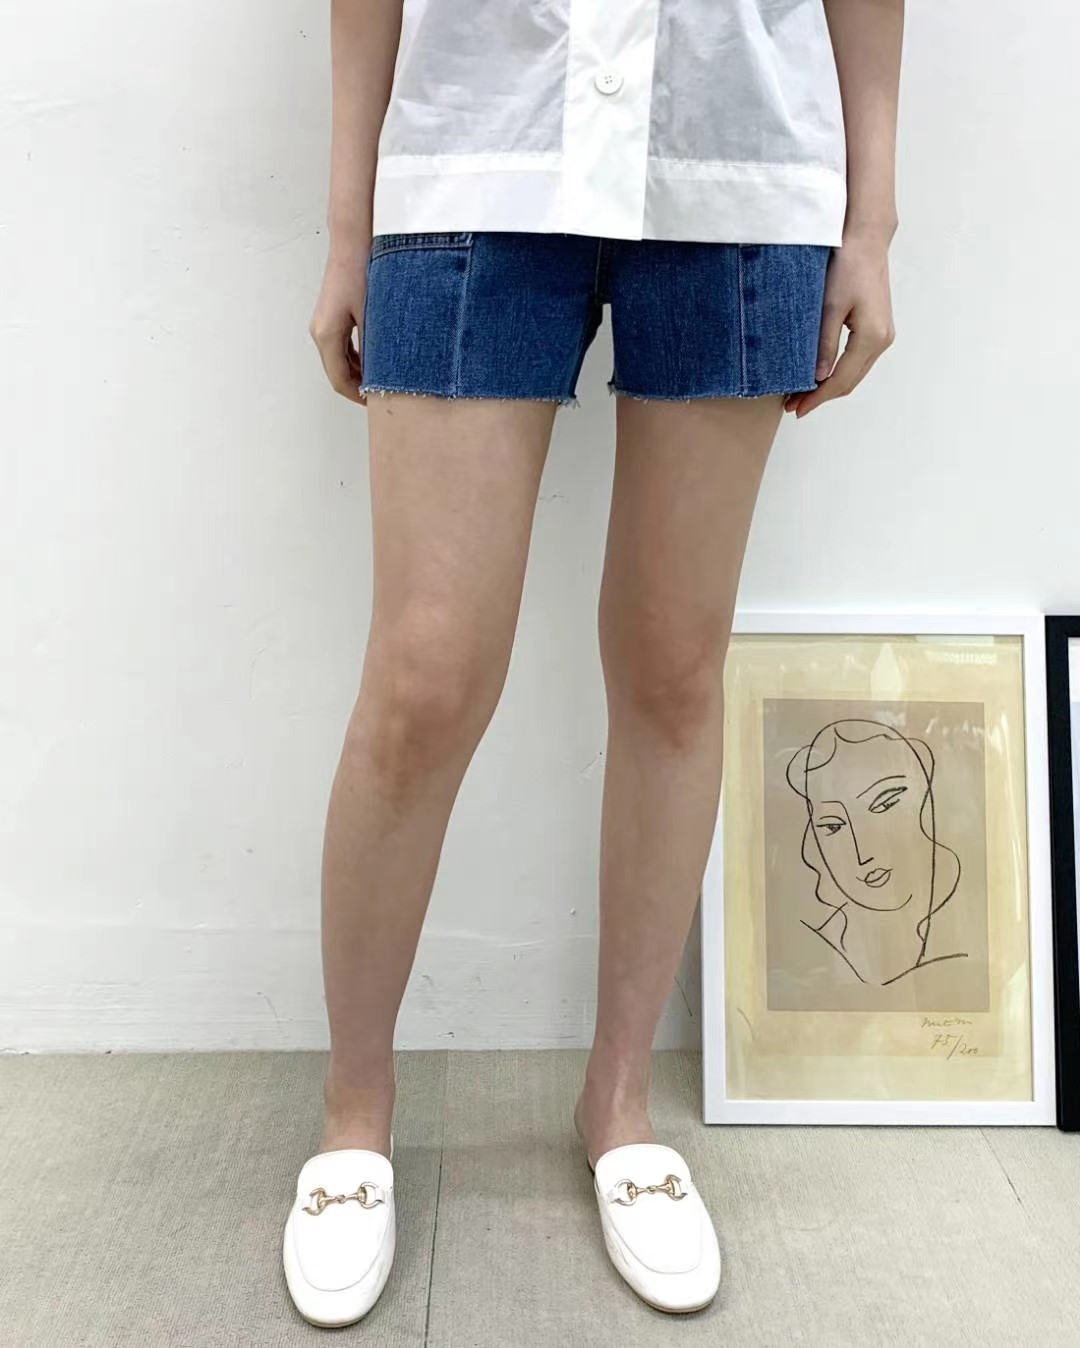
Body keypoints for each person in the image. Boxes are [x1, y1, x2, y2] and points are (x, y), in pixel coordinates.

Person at [282, 0, 903, 1326]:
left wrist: (872, 219)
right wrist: (345, 227)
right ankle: (353, 1114)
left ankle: (619, 1107)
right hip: (478, 151)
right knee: (424, 679)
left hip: (740, 164)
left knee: (675, 666)